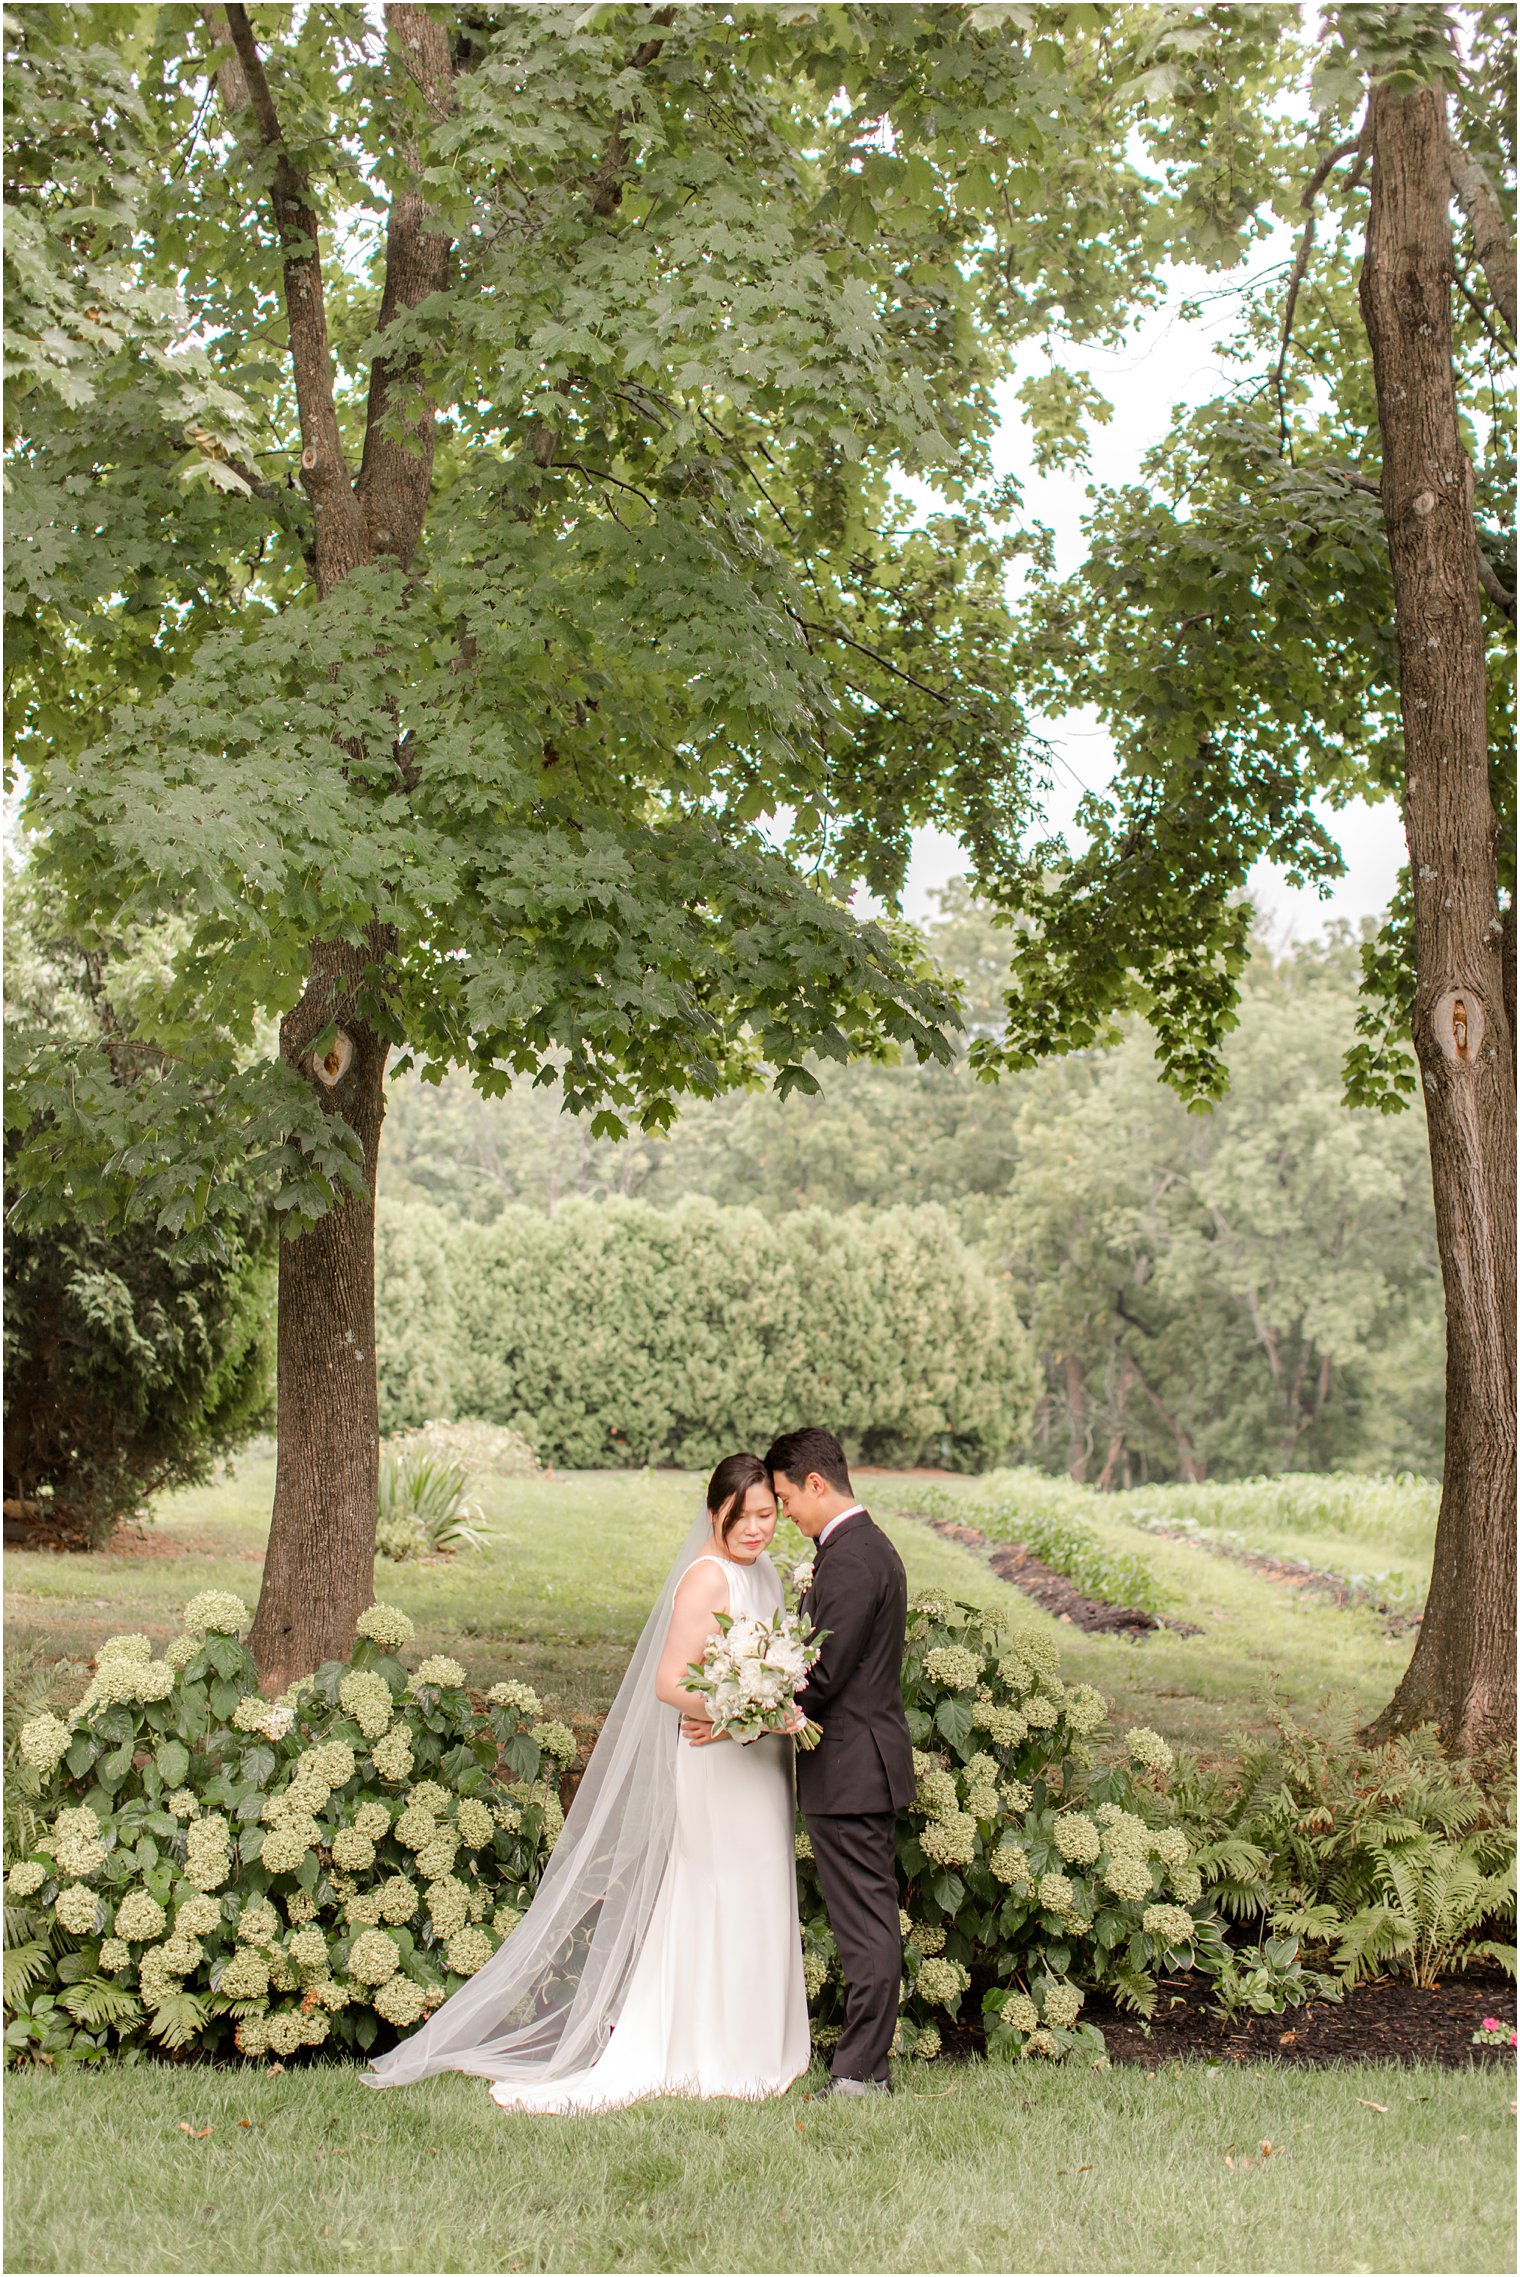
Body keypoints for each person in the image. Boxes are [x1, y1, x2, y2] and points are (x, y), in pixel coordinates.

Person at [360, 1452, 810, 2113]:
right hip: (714, 1766)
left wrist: (770, 1706)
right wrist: (741, 1707)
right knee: (717, 1890)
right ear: (715, 1513)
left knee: (762, 1885)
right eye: (742, 1518)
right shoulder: (706, 1579)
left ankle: (759, 2041)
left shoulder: (766, 1572)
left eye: (768, 1515)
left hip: (759, 1762)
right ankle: (707, 2045)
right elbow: (668, 1683)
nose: (757, 1529)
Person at [760, 1426, 913, 2099]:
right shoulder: (858, 1547)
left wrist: (757, 1694)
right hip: (858, 1765)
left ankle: (858, 2074)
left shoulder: (850, 1559)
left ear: (816, 1483)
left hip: (850, 1768)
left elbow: (823, 1675)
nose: (785, 1513)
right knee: (868, 1921)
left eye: (786, 1498)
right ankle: (865, 2070)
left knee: (864, 1926)